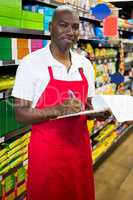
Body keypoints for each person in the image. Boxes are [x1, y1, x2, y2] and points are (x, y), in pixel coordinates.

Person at [12, 5, 109, 200]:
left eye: (74, 27)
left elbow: (87, 104)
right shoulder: (31, 63)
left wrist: (98, 112)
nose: (70, 32)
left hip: (80, 151)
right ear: (51, 27)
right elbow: (20, 114)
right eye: (63, 25)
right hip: (47, 156)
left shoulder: (85, 65)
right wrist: (57, 109)